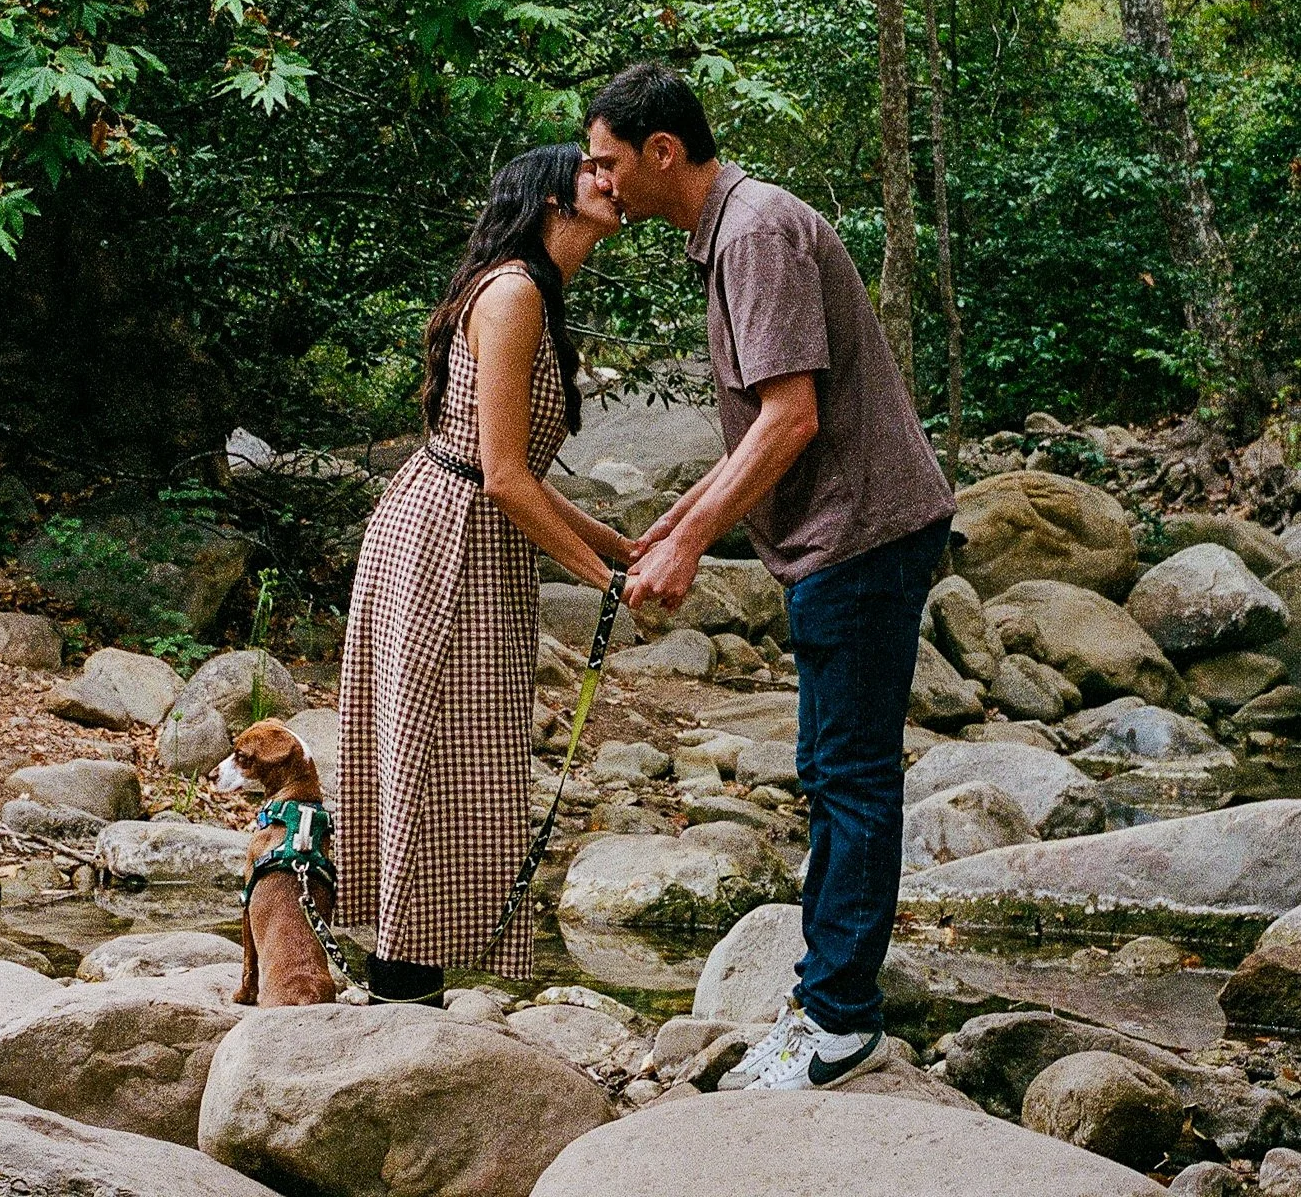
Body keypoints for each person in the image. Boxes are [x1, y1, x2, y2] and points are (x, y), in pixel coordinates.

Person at [585, 63, 955, 1090]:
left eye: (609, 161)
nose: (600, 182)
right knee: (840, 772)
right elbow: (765, 422)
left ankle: (837, 1021)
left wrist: (692, 540)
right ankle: (830, 1002)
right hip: (846, 534)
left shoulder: (752, 231)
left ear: (664, 151)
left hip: (861, 533)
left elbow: (792, 416)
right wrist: (671, 521)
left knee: (847, 777)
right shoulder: (739, 228)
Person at [335, 143, 636, 1003]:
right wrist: (603, 581)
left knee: (460, 759)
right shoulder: (512, 294)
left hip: (470, 531)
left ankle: (404, 981)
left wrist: (618, 549)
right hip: (446, 538)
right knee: (436, 758)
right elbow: (501, 476)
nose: (609, 179)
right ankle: (399, 989)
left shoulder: (534, 292)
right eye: (591, 169)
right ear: (551, 198)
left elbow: (510, 474)